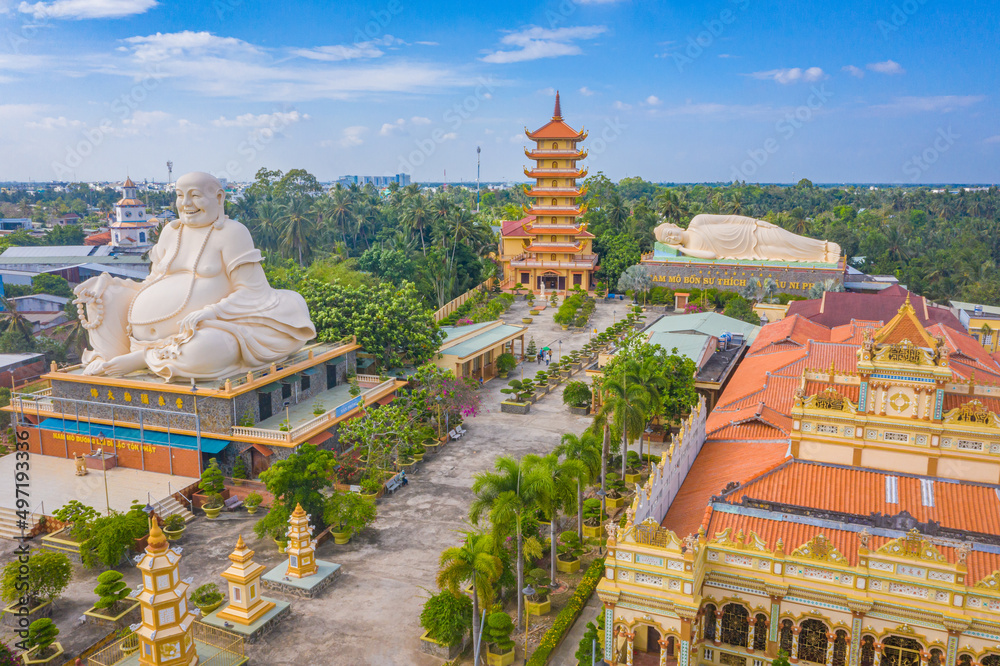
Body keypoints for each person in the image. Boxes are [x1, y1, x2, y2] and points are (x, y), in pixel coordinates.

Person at [75, 171, 316, 381]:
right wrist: (109, 284)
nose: (186, 203)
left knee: (207, 348)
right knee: (100, 291)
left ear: (219, 198)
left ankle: (143, 360)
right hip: (139, 335)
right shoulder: (171, 232)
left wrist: (211, 312)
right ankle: (108, 357)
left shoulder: (232, 233)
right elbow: (151, 282)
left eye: (195, 195)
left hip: (207, 329)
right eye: (180, 195)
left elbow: (253, 291)